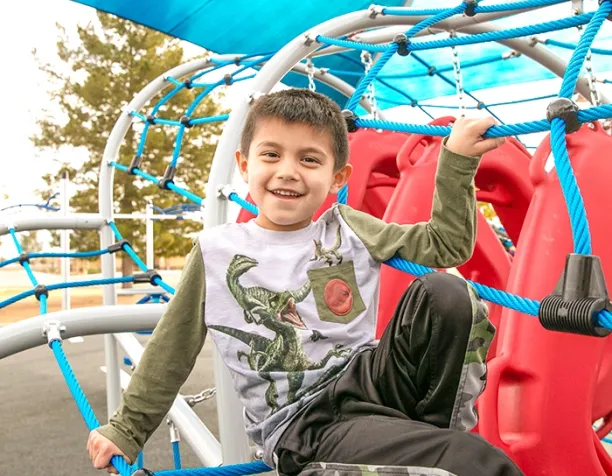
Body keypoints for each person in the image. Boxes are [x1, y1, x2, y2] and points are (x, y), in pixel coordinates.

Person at [88, 89, 523, 476]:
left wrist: (458, 160)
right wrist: (127, 429)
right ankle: (437, 454)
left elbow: (445, 246)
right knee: (476, 462)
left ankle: (429, 437)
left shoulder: (348, 228)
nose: (288, 172)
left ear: (337, 178)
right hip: (304, 424)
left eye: (309, 159)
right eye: (271, 155)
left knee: (446, 293)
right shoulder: (216, 252)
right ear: (244, 165)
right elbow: (171, 348)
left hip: (369, 382)